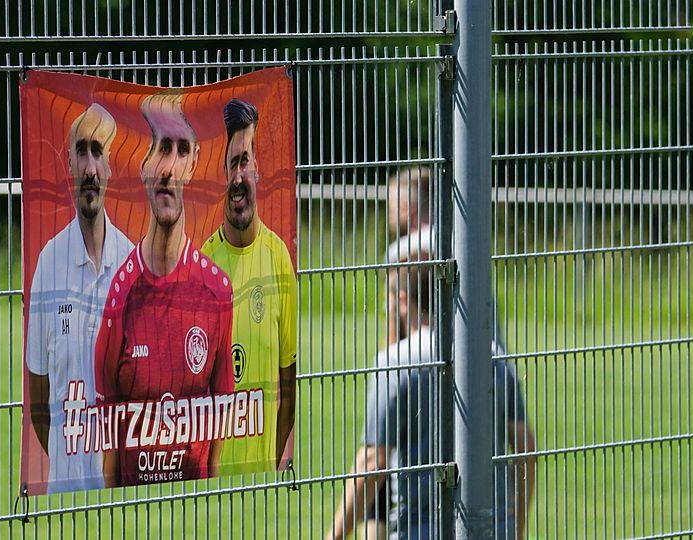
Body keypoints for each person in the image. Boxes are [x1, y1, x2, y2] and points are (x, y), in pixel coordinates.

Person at [328, 244, 535, 540]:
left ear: (402, 301)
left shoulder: (395, 363)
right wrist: (514, 527)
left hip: (420, 529)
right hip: (493, 527)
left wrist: (334, 535)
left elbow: (373, 462)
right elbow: (526, 448)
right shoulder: (492, 355)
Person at [94, 91, 235, 487]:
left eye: (181, 150)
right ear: (143, 163)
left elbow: (221, 421)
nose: (169, 168)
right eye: (161, 148)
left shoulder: (217, 290)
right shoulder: (120, 293)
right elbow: (108, 437)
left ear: (194, 163)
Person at [25, 103, 134, 493]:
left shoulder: (132, 264)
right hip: (65, 499)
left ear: (110, 166)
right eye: (82, 151)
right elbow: (39, 402)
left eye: (98, 152)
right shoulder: (48, 264)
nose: (90, 168)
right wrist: (69, 460)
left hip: (123, 500)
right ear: (68, 163)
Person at [202, 98, 297, 473]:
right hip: (210, 490)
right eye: (232, 164)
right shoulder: (203, 267)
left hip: (261, 490)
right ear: (220, 174)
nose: (238, 177)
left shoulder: (278, 258)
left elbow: (289, 386)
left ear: (258, 167)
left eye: (245, 161)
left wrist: (269, 469)